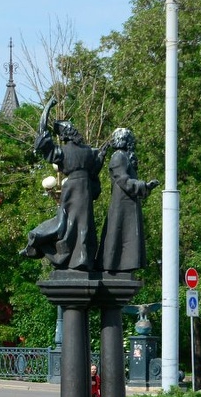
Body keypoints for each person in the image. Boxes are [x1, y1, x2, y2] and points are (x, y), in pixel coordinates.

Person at [22, 97, 104, 272]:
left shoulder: (69, 152)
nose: (73, 130)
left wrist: (47, 109)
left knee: (71, 224)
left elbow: (42, 133)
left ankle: (72, 257)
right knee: (77, 224)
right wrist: (47, 109)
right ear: (69, 133)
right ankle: (81, 259)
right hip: (82, 189)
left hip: (75, 189)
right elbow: (96, 169)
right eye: (70, 128)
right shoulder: (89, 151)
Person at [100, 127, 158, 274]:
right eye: (129, 139)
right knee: (119, 233)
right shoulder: (118, 156)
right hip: (122, 205)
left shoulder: (125, 156)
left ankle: (122, 265)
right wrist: (143, 186)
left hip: (128, 203)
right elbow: (124, 180)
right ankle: (114, 265)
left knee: (124, 235)